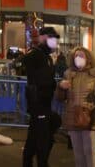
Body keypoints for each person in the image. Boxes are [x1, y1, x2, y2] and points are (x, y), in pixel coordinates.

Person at [56, 47, 95, 167]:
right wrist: (61, 87)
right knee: (78, 152)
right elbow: (59, 98)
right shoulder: (68, 74)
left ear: (88, 59)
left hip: (90, 117)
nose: (78, 58)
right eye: (76, 56)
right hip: (73, 116)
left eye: (81, 56)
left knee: (89, 151)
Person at [22, 27, 62, 167]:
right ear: (43, 37)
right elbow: (24, 63)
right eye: (52, 38)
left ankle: (31, 162)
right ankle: (41, 162)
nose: (54, 42)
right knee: (43, 139)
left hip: (44, 104)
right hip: (38, 104)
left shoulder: (47, 57)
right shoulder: (36, 54)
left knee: (37, 136)